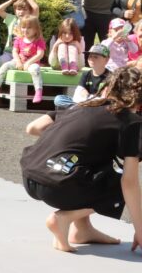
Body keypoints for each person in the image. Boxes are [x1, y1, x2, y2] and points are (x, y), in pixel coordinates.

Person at [20, 66, 142, 254]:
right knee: (118, 175)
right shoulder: (130, 121)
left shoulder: (83, 105)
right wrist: (140, 230)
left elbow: (33, 128)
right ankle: (64, 218)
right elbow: (130, 182)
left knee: (90, 162)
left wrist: (68, 143)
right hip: (58, 186)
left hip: (31, 175)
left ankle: (82, 230)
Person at [0, 16, 47, 105]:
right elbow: (15, 51)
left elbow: (40, 54)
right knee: (4, 66)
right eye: (23, 27)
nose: (25, 30)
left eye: (29, 28)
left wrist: (29, 62)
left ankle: (38, 92)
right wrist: (18, 61)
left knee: (35, 70)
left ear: (36, 29)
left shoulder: (38, 40)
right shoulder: (19, 39)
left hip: (31, 63)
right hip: (18, 62)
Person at [54, 44, 112, 110]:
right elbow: (80, 92)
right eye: (90, 56)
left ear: (106, 59)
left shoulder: (111, 76)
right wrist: (87, 97)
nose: (91, 59)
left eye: (95, 57)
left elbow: (105, 98)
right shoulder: (86, 74)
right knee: (59, 99)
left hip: (99, 106)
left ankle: (78, 110)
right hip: (85, 102)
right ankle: (81, 109)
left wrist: (89, 98)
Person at [0, 0, 39, 64]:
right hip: (9, 52)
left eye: (25, 9)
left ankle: (16, 64)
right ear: (15, 11)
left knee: (17, 63)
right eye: (19, 9)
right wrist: (11, 0)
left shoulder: (31, 20)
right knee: (0, 62)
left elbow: (36, 8)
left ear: (30, 11)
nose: (21, 12)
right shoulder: (12, 19)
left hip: (25, 53)